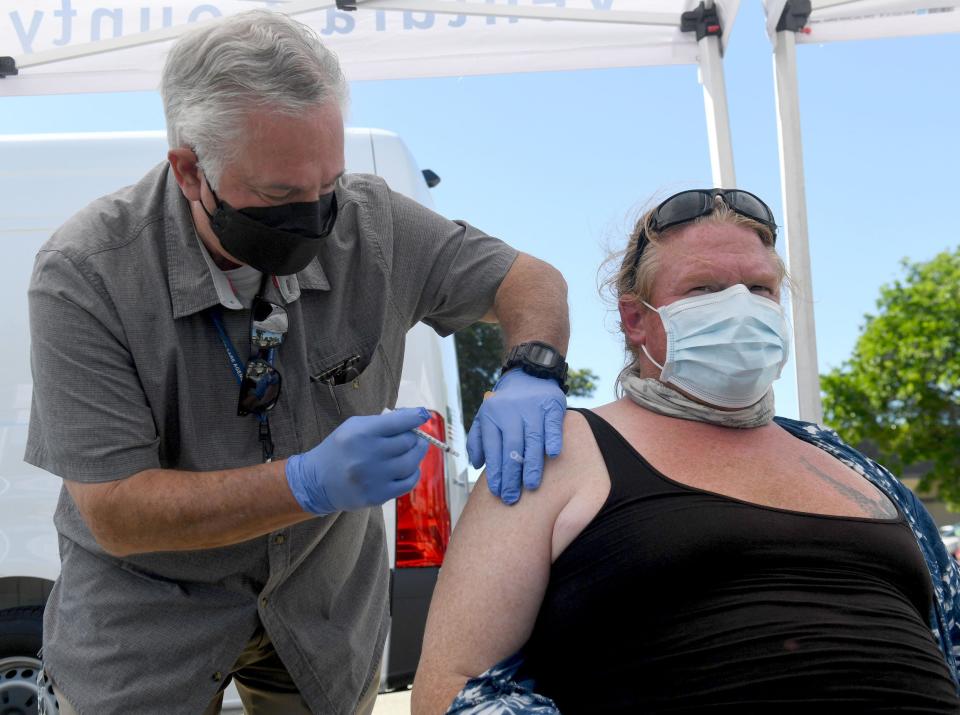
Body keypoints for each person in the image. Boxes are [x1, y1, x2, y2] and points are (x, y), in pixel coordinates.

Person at [25, 10, 570, 715]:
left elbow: (529, 279)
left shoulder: (371, 223)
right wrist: (306, 482)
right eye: (282, 196)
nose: (317, 217)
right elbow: (118, 512)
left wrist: (533, 363)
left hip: (322, 610)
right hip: (147, 619)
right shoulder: (86, 274)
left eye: (329, 185)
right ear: (191, 171)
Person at [412, 188, 960, 714]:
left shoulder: (845, 462)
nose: (741, 308)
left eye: (761, 290)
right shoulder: (552, 451)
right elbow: (452, 688)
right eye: (703, 290)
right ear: (636, 320)